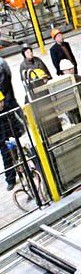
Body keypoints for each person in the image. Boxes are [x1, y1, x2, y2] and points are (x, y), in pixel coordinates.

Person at [0, 58, 19, 190]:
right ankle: (10, 179)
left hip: (11, 134)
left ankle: (23, 172)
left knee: (18, 152)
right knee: (6, 156)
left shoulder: (7, 109)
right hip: (2, 139)